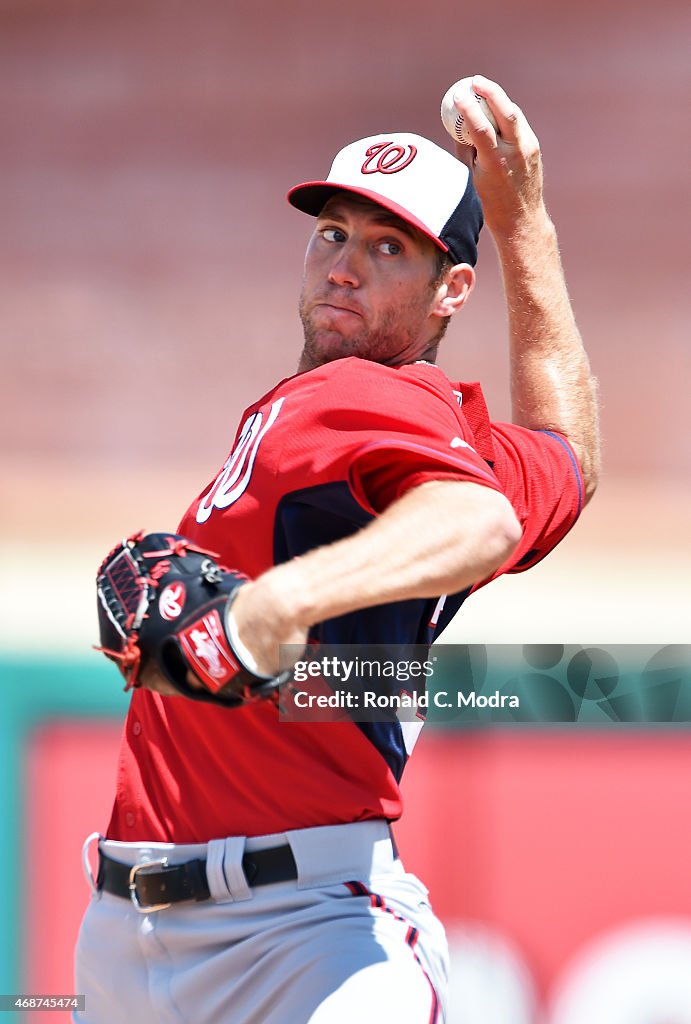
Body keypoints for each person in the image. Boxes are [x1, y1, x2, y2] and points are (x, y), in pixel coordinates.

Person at [75, 75, 600, 1024]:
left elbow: (472, 523)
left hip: (301, 944)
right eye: (332, 233)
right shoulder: (455, 436)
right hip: (142, 934)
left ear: (451, 293)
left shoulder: (361, 393)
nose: (343, 266)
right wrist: (524, 219)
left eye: (387, 246)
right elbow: (568, 458)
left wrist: (262, 611)